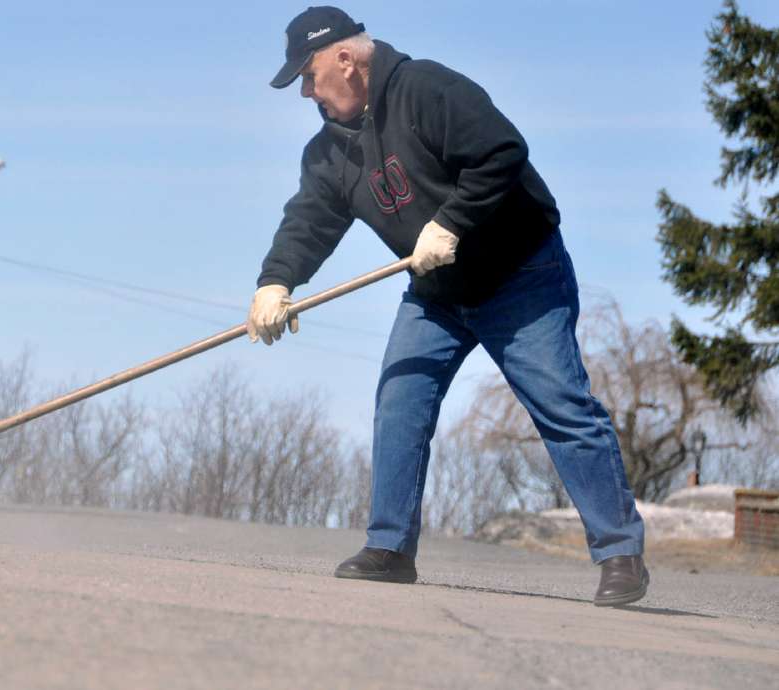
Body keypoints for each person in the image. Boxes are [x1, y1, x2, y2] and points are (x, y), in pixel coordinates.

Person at [246, 6, 648, 606]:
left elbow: (502, 151)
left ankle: (620, 555)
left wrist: (452, 221)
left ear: (346, 61)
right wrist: (276, 283)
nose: (306, 91)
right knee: (400, 399)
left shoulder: (427, 89)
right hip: (437, 293)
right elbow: (310, 220)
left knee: (561, 403)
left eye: (308, 76)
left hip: (521, 275)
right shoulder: (329, 152)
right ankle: (389, 548)